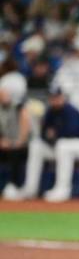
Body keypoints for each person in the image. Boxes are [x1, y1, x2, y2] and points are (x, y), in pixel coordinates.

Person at [10, 87, 79, 202]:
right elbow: (43, 134)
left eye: (57, 97)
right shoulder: (51, 112)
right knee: (36, 145)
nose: (55, 100)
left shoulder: (70, 110)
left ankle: (62, 189)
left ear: (62, 97)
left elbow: (72, 132)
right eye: (52, 97)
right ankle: (30, 189)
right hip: (61, 148)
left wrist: (54, 134)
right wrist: (52, 136)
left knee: (63, 145)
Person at [0, 57, 30, 198]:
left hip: (19, 143)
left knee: (16, 152)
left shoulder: (19, 107)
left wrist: (18, 141)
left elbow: (25, 126)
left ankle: (14, 185)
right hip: (6, 141)